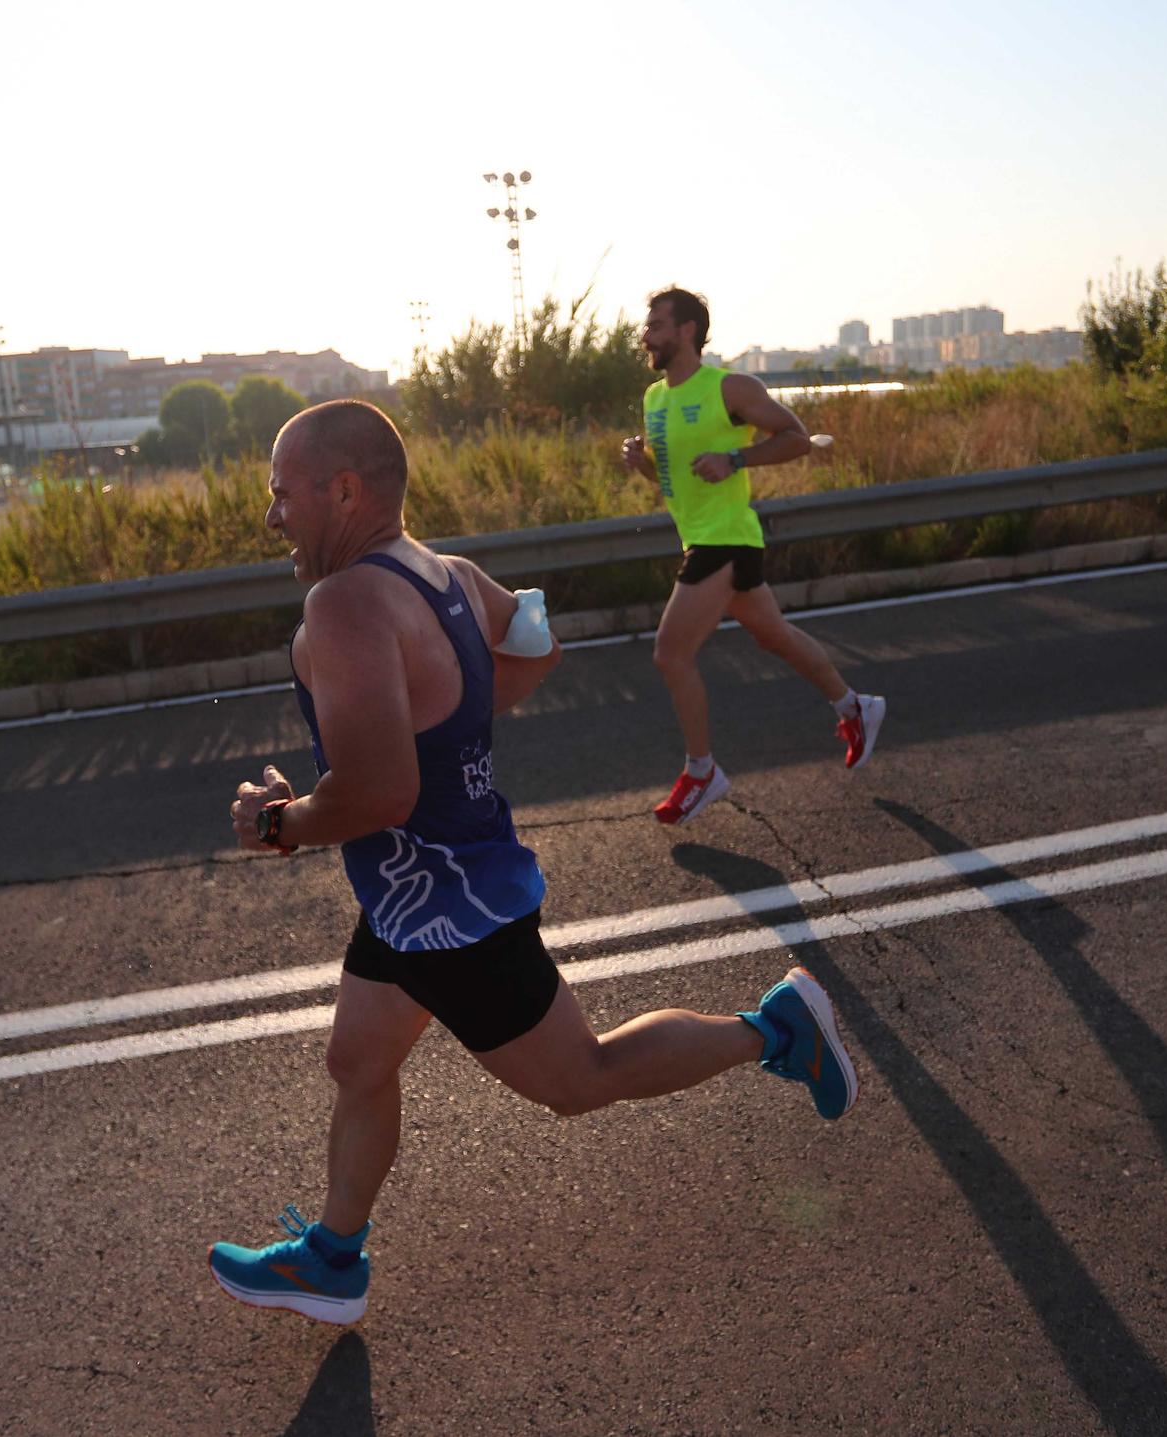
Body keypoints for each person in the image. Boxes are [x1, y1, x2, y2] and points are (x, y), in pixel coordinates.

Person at [208, 399, 861, 1325]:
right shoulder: (447, 574)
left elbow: (381, 792)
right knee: (357, 1058)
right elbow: (537, 642)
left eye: (282, 494)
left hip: (450, 908)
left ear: (342, 489)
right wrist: (450, 719)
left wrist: (277, 822)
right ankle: (332, 1259)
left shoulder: (345, 599)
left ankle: (777, 1030)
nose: (273, 515)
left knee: (579, 1079)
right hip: (413, 893)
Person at [618, 286, 886, 825]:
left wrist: (736, 458)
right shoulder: (654, 399)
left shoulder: (729, 388)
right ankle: (855, 706)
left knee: (671, 654)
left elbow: (797, 438)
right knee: (774, 635)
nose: (646, 333)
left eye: (657, 324)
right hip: (700, 536)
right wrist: (641, 464)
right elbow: (675, 483)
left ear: (688, 330)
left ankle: (702, 772)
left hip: (727, 538)